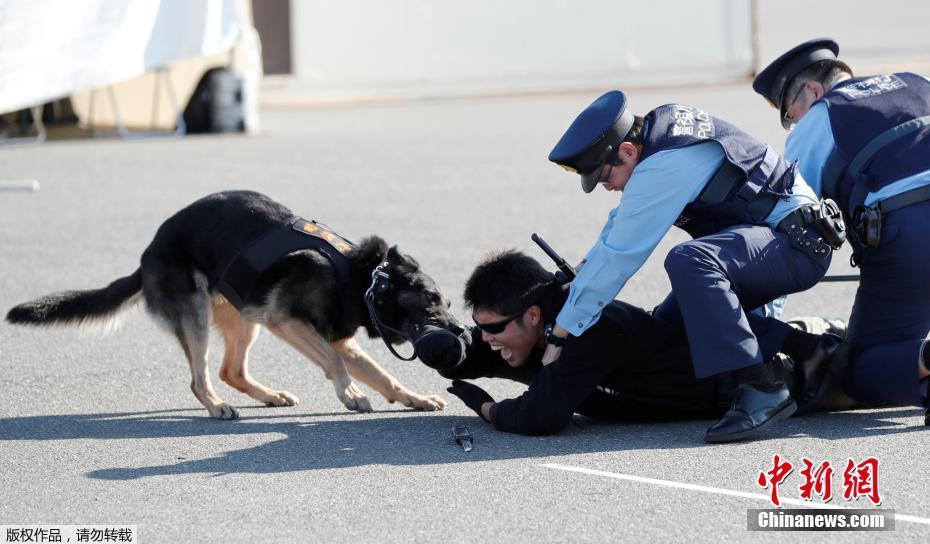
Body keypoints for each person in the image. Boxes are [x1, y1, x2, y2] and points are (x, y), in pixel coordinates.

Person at [542, 90, 844, 443]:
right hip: (776, 241)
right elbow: (618, 227)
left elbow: (619, 256)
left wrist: (561, 332)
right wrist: (579, 276)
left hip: (794, 244)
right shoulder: (659, 136)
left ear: (627, 151)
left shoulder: (661, 166)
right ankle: (810, 350)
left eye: (605, 176)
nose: (607, 187)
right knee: (670, 325)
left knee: (689, 261)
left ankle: (761, 389)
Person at [441, 250, 846, 436]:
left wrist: (488, 408)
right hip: (728, 366)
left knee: (874, 378)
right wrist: (440, 343)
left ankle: (824, 339)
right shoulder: (547, 321)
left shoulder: (585, 329)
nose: (487, 339)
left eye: (493, 329)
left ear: (532, 315)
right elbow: (479, 350)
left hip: (780, 374)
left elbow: (541, 416)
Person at [753, 38, 930, 424]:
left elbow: (788, 225)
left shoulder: (821, 118)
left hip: (912, 233)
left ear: (813, 90)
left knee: (861, 367)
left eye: (791, 113)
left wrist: (763, 321)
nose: (795, 123)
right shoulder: (916, 82)